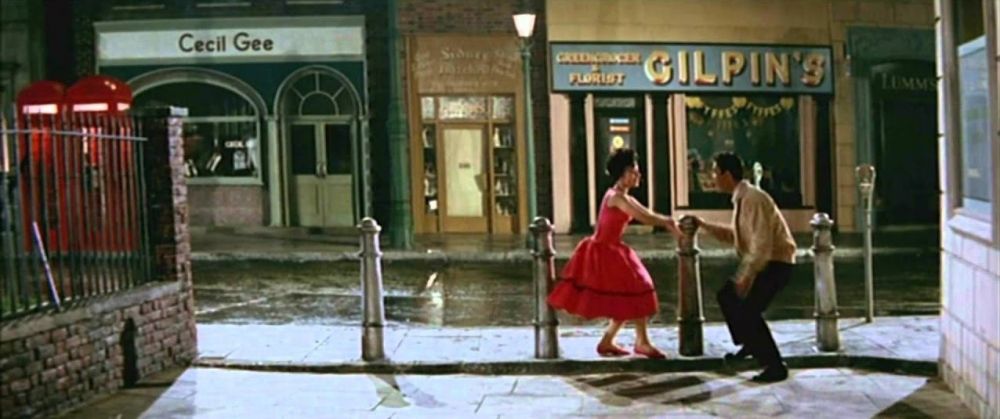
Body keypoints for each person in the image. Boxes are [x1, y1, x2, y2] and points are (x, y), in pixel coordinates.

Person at [547, 147, 681, 359]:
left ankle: (610, 341)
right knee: (638, 287)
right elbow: (644, 217)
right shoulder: (617, 197)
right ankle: (641, 342)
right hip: (604, 251)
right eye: (633, 172)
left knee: (625, 296)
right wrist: (668, 222)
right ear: (622, 174)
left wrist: (668, 222)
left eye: (637, 171)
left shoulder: (622, 196)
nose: (637, 175)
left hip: (611, 249)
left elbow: (645, 212)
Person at [692, 152, 797, 382]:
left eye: (715, 172)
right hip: (767, 262)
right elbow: (736, 236)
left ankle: (775, 366)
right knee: (727, 297)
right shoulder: (741, 198)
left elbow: (761, 244)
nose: (712, 177)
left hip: (777, 263)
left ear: (727, 175)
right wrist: (703, 225)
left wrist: (746, 276)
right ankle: (750, 342)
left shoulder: (752, 198)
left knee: (749, 311)